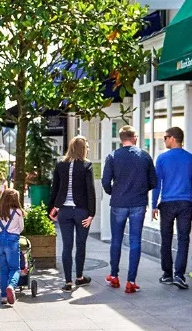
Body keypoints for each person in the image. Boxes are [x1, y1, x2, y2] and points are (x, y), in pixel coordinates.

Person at [102, 126, 157, 294]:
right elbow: (153, 182)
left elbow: (105, 182)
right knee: (135, 242)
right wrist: (141, 189)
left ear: (121, 138)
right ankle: (131, 281)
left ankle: (114, 275)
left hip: (119, 202)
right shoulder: (144, 156)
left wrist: (114, 192)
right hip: (138, 203)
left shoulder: (113, 156)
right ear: (134, 137)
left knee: (116, 240)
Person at [49, 136, 97, 292]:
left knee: (67, 246)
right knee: (81, 245)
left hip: (64, 211)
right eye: (87, 146)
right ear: (82, 149)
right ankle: (79, 277)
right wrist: (91, 213)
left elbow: (54, 189)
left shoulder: (60, 165)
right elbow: (90, 190)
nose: (88, 149)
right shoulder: (86, 165)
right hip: (81, 211)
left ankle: (68, 282)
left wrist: (52, 209)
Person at [153, 126, 192, 290]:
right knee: (183, 239)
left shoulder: (162, 158)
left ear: (172, 138)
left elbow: (157, 184)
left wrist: (153, 205)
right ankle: (179, 275)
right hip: (185, 202)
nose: (164, 140)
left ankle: (167, 275)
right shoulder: (191, 159)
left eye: (165, 137)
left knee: (166, 238)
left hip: (167, 203)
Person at [0, 189, 25, 306]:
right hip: (12, 242)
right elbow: (21, 228)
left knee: (3, 269)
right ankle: (11, 286)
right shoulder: (18, 212)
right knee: (15, 268)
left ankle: (3, 297)